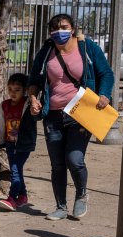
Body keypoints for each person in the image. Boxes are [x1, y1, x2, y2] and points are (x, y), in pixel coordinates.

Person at [27, 13, 114, 221]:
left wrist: (104, 94)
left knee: (74, 159)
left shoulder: (87, 47)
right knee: (57, 164)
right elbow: (35, 79)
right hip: (53, 115)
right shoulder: (47, 51)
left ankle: (81, 195)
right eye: (55, 28)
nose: (59, 31)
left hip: (80, 113)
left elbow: (106, 74)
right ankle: (60, 206)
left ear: (72, 28)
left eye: (64, 27)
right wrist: (33, 98)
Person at [0, 73, 37, 211]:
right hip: (10, 144)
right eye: (10, 89)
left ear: (25, 91)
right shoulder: (4, 105)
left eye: (17, 90)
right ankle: (22, 196)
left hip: (23, 145)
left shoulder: (28, 105)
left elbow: (37, 115)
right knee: (17, 170)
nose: (13, 93)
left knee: (15, 171)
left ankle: (12, 199)